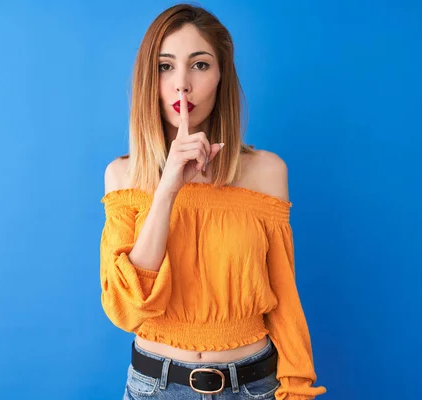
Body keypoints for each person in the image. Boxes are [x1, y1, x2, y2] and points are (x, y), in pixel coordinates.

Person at [100, 4, 326, 399]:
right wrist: (168, 187)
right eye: (165, 66)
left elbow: (285, 300)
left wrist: (297, 387)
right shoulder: (124, 175)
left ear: (222, 76)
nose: (181, 84)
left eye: (200, 65)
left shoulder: (267, 172)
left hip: (254, 386)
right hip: (156, 387)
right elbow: (127, 306)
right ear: (148, 79)